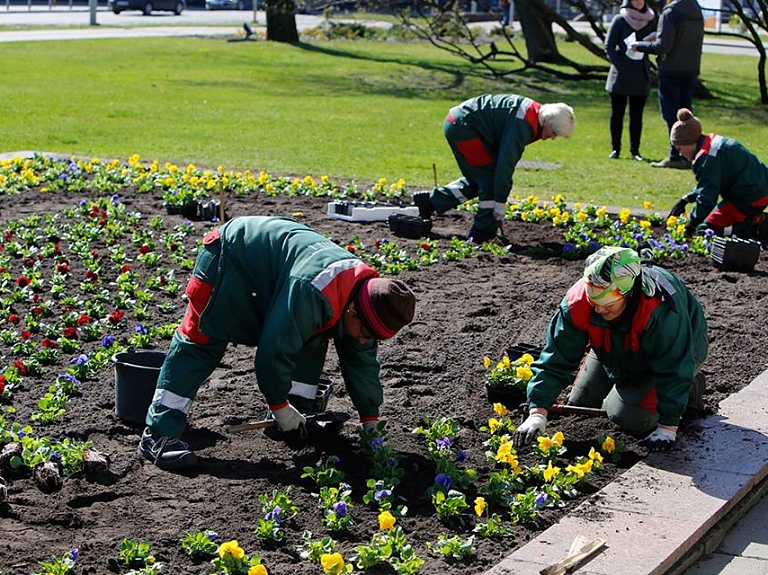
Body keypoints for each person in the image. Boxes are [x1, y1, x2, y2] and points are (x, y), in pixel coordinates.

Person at [138, 216, 417, 470]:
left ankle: (292, 419)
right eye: (366, 332)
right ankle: (159, 433)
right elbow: (273, 353)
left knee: (314, 337)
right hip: (229, 259)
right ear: (354, 310)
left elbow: (362, 360)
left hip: (270, 276)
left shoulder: (369, 300)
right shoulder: (314, 290)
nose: (364, 340)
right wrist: (278, 405)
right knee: (202, 342)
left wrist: (370, 420)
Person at [513, 246, 708, 452]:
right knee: (581, 403)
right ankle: (627, 383)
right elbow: (556, 357)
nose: (598, 309)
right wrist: (537, 412)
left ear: (628, 292)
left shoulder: (660, 309)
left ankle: (692, 387)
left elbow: (674, 364)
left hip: (678, 353)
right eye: (593, 300)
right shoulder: (578, 302)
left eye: (607, 303)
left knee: (629, 420)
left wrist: (668, 427)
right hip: (614, 345)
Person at [412, 94, 575, 243]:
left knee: (481, 180)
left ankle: (430, 201)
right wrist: (499, 206)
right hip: (464, 128)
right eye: (554, 132)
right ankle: (482, 234)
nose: (552, 138)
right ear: (546, 122)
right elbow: (505, 166)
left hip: (463, 124)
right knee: (489, 182)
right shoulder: (523, 123)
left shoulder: (533, 115)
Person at [666, 108, 768, 241]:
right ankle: (754, 219)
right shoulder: (711, 143)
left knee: (705, 230)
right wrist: (686, 199)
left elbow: (708, 196)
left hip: (749, 197)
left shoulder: (707, 158)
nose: (680, 154)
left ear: (689, 143)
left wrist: (692, 225)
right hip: (757, 189)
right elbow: (708, 183)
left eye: (680, 148)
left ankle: (753, 224)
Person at [631, 0, 704, 169]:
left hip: (671, 70)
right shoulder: (696, 10)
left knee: (672, 116)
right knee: (687, 116)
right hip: (690, 69)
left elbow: (663, 46)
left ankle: (676, 155)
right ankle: (689, 155)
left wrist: (639, 46)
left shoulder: (671, 13)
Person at [604, 0, 656, 161]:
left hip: (641, 74)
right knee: (617, 114)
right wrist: (621, 64)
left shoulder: (651, 19)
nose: (639, 1)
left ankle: (635, 150)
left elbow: (658, 42)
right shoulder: (620, 19)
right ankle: (615, 149)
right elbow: (609, 46)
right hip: (620, 75)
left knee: (637, 115)